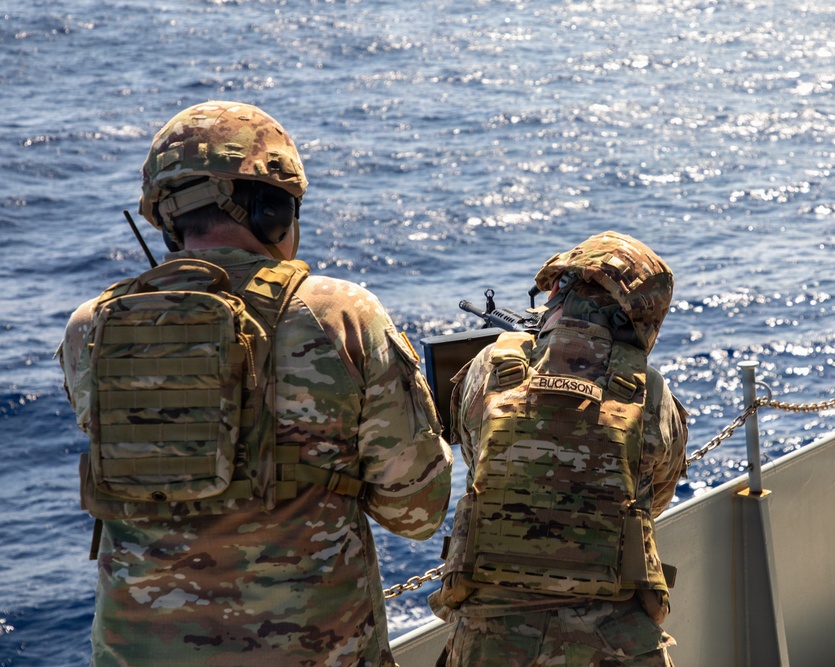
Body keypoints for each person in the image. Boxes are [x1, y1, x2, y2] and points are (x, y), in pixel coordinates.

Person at [59, 100, 453, 666]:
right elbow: (416, 511)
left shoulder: (90, 328)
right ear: (275, 210)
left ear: (167, 220)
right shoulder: (339, 315)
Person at [429, 230, 689, 667]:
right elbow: (656, 496)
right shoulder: (652, 393)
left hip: (490, 640)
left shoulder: (487, 369)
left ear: (556, 292)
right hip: (616, 643)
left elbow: (478, 459)